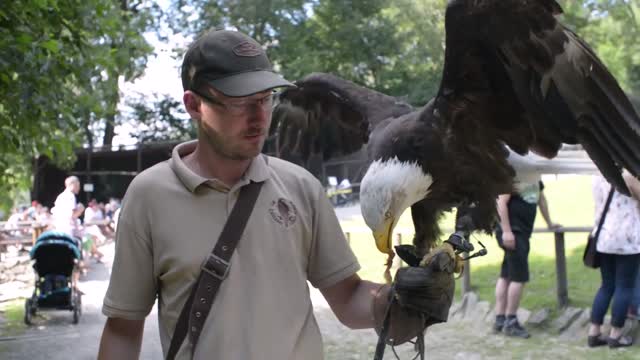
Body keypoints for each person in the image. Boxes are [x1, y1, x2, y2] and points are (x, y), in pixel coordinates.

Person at [97, 29, 454, 360]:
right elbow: (123, 330)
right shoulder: (149, 196)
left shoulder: (301, 187)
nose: (258, 118)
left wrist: (398, 301)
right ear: (193, 105)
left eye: (266, 99)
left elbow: (347, 298)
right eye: (239, 102)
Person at [492, 179, 559, 338]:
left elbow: (541, 200)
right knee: (519, 278)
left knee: (507, 274)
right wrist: (507, 231)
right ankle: (511, 321)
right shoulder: (515, 175)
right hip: (513, 233)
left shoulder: (535, 176)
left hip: (519, 233)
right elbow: (500, 203)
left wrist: (549, 223)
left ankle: (500, 319)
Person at [587, 171, 640, 348]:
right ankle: (616, 336)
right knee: (624, 286)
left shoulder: (597, 175)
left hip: (604, 237)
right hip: (627, 239)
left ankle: (594, 333)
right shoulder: (628, 176)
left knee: (607, 285)